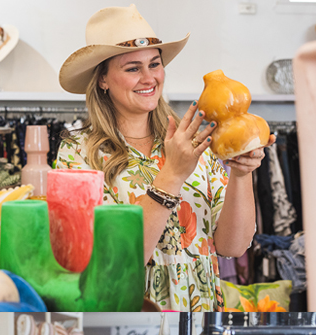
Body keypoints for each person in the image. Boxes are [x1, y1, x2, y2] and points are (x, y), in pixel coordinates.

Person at [54, 5, 272, 311]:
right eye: (133, 68)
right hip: (131, 320)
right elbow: (115, 262)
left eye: (154, 64)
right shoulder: (78, 154)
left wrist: (241, 172)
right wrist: (172, 175)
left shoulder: (192, 141)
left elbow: (232, 246)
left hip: (200, 319)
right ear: (103, 79)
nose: (149, 78)